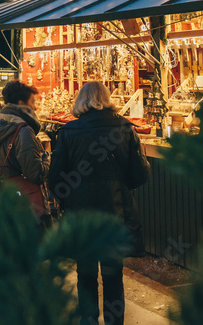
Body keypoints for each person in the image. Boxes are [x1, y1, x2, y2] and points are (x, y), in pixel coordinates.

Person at [47, 82, 150, 325]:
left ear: (81, 101)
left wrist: (68, 199)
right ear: (107, 99)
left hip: (81, 215)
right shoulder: (126, 129)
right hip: (115, 212)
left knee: (85, 274)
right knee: (114, 276)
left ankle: (89, 320)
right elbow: (140, 175)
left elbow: (54, 178)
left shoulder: (68, 132)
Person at [0, 79, 50, 219]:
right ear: (21, 104)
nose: (35, 108)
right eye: (33, 103)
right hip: (24, 201)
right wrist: (46, 157)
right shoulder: (23, 130)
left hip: (4, 194)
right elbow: (35, 174)